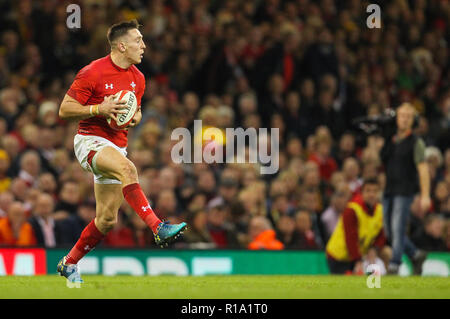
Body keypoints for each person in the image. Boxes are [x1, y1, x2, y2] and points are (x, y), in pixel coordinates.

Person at [57, 20, 186, 283]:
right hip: (90, 141)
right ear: (121, 45)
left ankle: (69, 263)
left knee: (106, 220)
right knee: (128, 169)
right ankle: (158, 227)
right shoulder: (93, 72)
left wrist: (135, 118)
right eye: (138, 40)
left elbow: (135, 112)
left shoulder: (138, 78)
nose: (144, 45)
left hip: (117, 146)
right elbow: (64, 109)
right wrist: (97, 109)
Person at [380, 103, 430, 275]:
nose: (405, 119)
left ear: (413, 120)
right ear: (396, 118)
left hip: (405, 190)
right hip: (389, 189)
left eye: (409, 116)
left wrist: (425, 195)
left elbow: (423, 170)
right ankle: (416, 255)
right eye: (402, 115)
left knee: (398, 227)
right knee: (389, 230)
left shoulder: (416, 143)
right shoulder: (391, 140)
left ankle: (394, 265)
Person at [326, 178, 391, 274]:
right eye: (368, 191)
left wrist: (374, 249)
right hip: (339, 256)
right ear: (362, 193)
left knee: (387, 252)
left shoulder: (380, 210)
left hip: (361, 253)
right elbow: (350, 238)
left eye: (375, 191)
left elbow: (382, 234)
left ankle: (389, 277)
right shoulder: (352, 210)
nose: (372, 194)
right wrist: (358, 260)